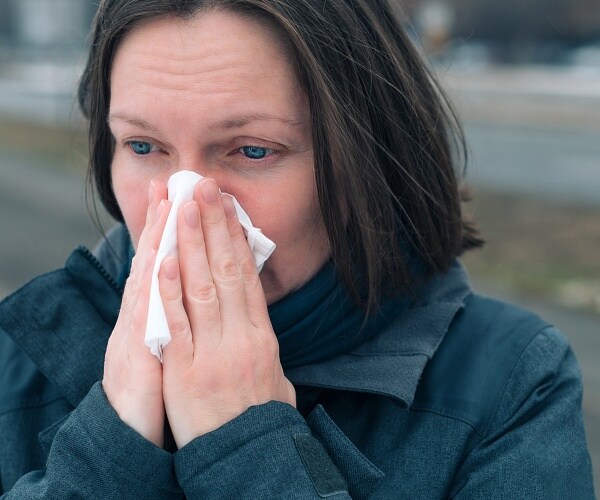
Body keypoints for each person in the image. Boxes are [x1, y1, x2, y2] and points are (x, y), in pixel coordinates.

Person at [0, 0, 594, 498]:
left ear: (365, 162)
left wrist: (245, 444)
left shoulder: (510, 380)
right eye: (142, 145)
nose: (186, 204)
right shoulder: (18, 356)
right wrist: (112, 446)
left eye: (253, 150)